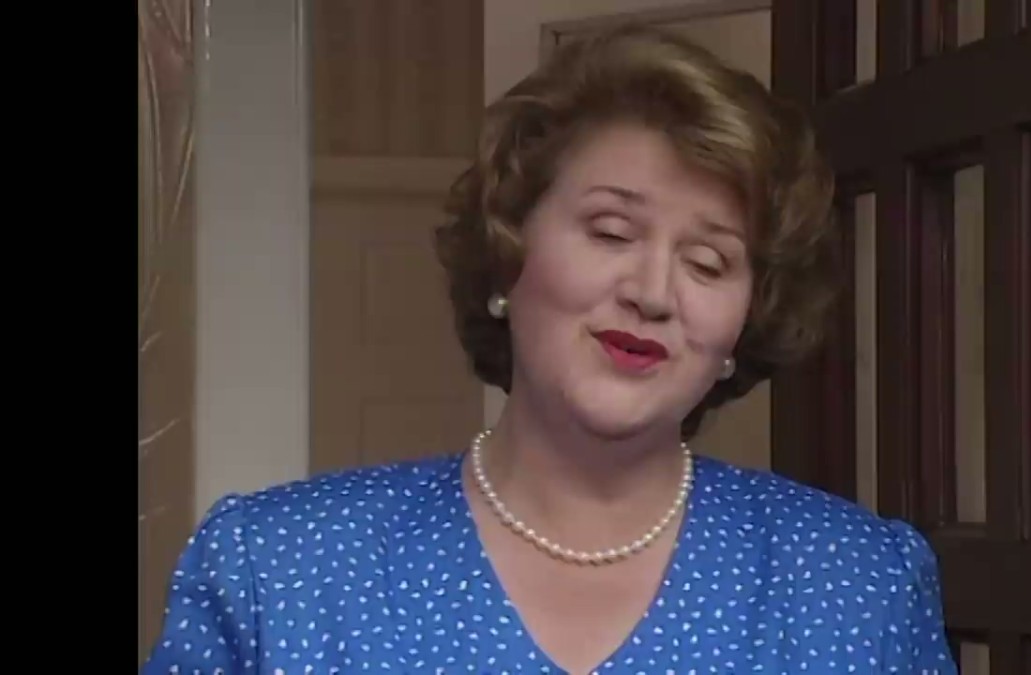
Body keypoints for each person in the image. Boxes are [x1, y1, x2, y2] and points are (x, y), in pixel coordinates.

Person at [144, 24, 957, 674]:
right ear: (509, 253)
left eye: (709, 262)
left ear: (744, 326)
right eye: (611, 231)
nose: (653, 291)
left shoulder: (859, 584)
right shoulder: (276, 568)